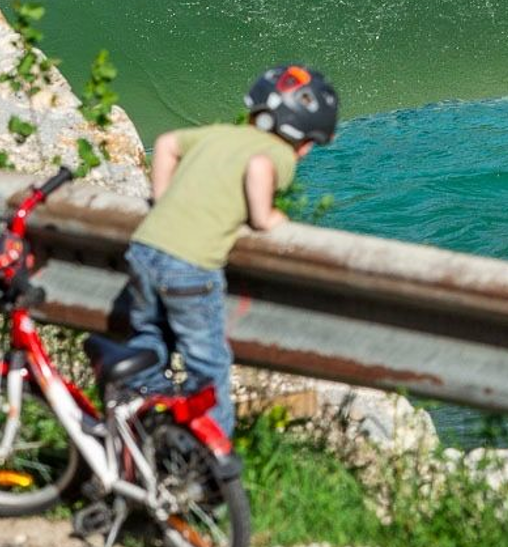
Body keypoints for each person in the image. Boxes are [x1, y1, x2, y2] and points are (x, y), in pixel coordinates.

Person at [115, 65, 340, 439]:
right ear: (299, 138)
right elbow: (258, 166)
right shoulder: (276, 153)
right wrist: (264, 217)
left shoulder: (218, 134)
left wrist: (162, 198)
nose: (306, 152)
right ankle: (210, 455)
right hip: (189, 267)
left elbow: (168, 144)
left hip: (145, 248)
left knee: (148, 343)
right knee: (208, 365)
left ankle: (140, 433)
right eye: (309, 143)